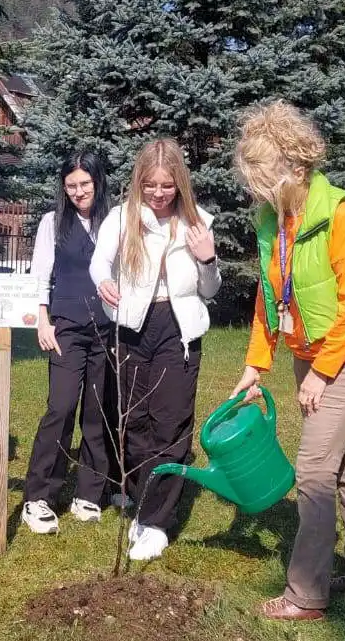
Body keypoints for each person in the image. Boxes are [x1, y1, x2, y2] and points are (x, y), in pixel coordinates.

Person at [229, 100, 345, 622]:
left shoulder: (344, 215)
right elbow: (268, 298)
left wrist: (322, 374)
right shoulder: (274, 221)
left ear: (298, 169)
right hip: (310, 356)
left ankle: (305, 595)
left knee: (314, 471)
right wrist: (256, 365)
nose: (259, 193)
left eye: (266, 181)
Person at [90, 138, 220, 561]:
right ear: (139, 182)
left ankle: (157, 522)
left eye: (167, 185)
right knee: (135, 422)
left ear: (179, 183)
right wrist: (103, 282)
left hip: (177, 331)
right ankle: (141, 502)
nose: (158, 194)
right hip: (133, 328)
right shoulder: (121, 218)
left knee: (170, 424)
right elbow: (99, 262)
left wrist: (207, 259)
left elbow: (210, 291)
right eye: (150, 185)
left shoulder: (196, 223)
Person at [21, 150, 113, 534]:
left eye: (85, 184)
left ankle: (89, 491)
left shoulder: (114, 221)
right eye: (71, 185)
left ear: (98, 182)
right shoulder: (52, 222)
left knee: (97, 411)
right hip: (67, 328)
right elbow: (40, 274)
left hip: (106, 330)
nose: (78, 192)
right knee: (60, 407)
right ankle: (39, 496)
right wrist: (42, 320)